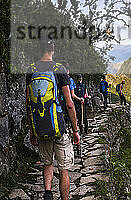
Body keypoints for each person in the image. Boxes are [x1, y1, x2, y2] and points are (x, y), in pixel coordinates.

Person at [26, 38, 80, 200]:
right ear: (53, 48)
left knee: (47, 163)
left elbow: (28, 103)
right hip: (59, 126)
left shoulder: (31, 69)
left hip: (41, 125)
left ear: (40, 48)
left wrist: (32, 130)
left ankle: (48, 193)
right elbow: (70, 104)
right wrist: (76, 130)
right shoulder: (60, 69)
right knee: (63, 169)